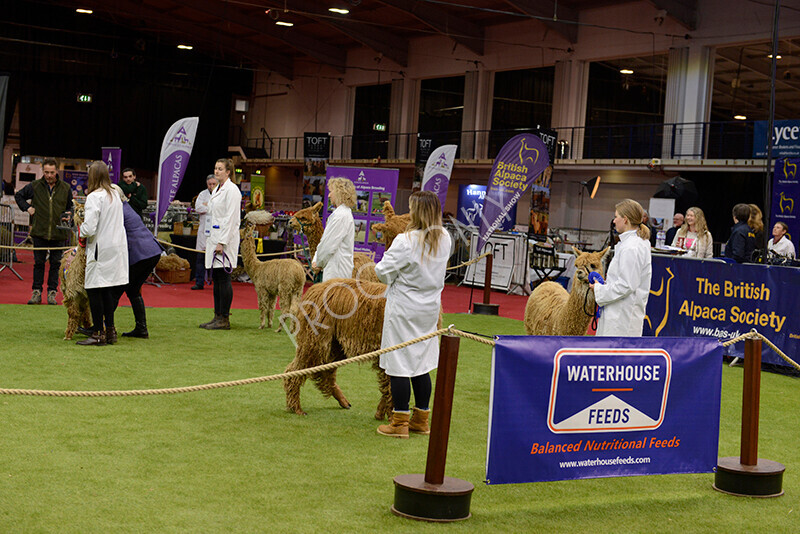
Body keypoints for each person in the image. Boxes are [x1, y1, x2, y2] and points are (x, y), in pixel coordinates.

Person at [374, 191, 452, 438]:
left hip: (404, 308)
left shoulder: (405, 241)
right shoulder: (445, 238)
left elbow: (381, 272)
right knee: (421, 362)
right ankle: (421, 419)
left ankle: (399, 423)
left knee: (398, 364)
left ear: (415, 212)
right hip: (429, 308)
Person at [76, 161, 129, 346]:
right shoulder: (115, 193)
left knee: (94, 289)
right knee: (107, 288)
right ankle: (110, 330)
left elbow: (89, 228)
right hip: (116, 248)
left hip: (100, 248)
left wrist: (80, 230)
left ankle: (98, 332)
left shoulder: (94, 197)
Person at [14, 157, 73, 305]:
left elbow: (70, 207)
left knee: (55, 265)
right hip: (39, 232)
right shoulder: (35, 186)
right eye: (46, 172)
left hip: (58, 233)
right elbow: (19, 196)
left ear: (56, 171)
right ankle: (36, 292)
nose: (49, 175)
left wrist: (69, 215)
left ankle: (52, 293)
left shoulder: (66, 188)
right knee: (38, 264)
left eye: (51, 172)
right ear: (43, 171)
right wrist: (27, 208)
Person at [590, 199, 652, 337]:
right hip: (620, 312)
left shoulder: (632, 247)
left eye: (616, 216)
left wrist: (599, 289)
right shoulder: (632, 243)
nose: (614, 221)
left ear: (625, 219)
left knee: (615, 356)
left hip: (622, 317)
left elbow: (626, 285)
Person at [112, 186, 163, 338]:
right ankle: (141, 329)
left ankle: (102, 327)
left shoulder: (118, 211)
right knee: (133, 290)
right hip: (152, 252)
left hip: (141, 254)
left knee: (116, 290)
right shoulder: (127, 207)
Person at [200, 158, 242, 330]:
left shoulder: (232, 191)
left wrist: (222, 242)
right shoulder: (217, 188)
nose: (216, 171)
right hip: (214, 237)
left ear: (228, 172)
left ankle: (224, 318)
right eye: (215, 168)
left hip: (225, 240)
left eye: (220, 169)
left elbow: (230, 219)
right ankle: (217, 315)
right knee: (216, 279)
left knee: (224, 279)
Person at [311, 177, 355, 281]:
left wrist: (318, 263)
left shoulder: (340, 216)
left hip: (336, 272)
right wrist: (317, 260)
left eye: (331, 192)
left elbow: (328, 245)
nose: (329, 195)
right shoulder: (342, 214)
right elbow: (325, 242)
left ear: (340, 193)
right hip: (335, 270)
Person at [192, 174, 218, 290]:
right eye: (209, 184)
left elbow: (220, 210)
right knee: (200, 258)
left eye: (213, 184)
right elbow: (198, 208)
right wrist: (210, 207)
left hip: (216, 230)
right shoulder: (203, 194)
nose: (211, 186)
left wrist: (207, 206)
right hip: (204, 230)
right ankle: (199, 282)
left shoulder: (221, 194)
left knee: (216, 259)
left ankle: (216, 282)